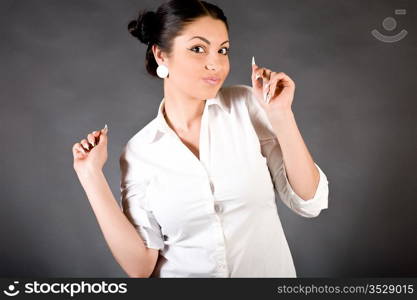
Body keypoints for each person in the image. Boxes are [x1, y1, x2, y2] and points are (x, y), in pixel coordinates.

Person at [72, 0, 329, 278]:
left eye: (223, 50)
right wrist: (90, 175)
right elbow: (140, 267)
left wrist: (281, 115)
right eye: (198, 49)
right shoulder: (139, 152)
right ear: (161, 55)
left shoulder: (247, 107)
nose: (215, 64)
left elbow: (309, 201)